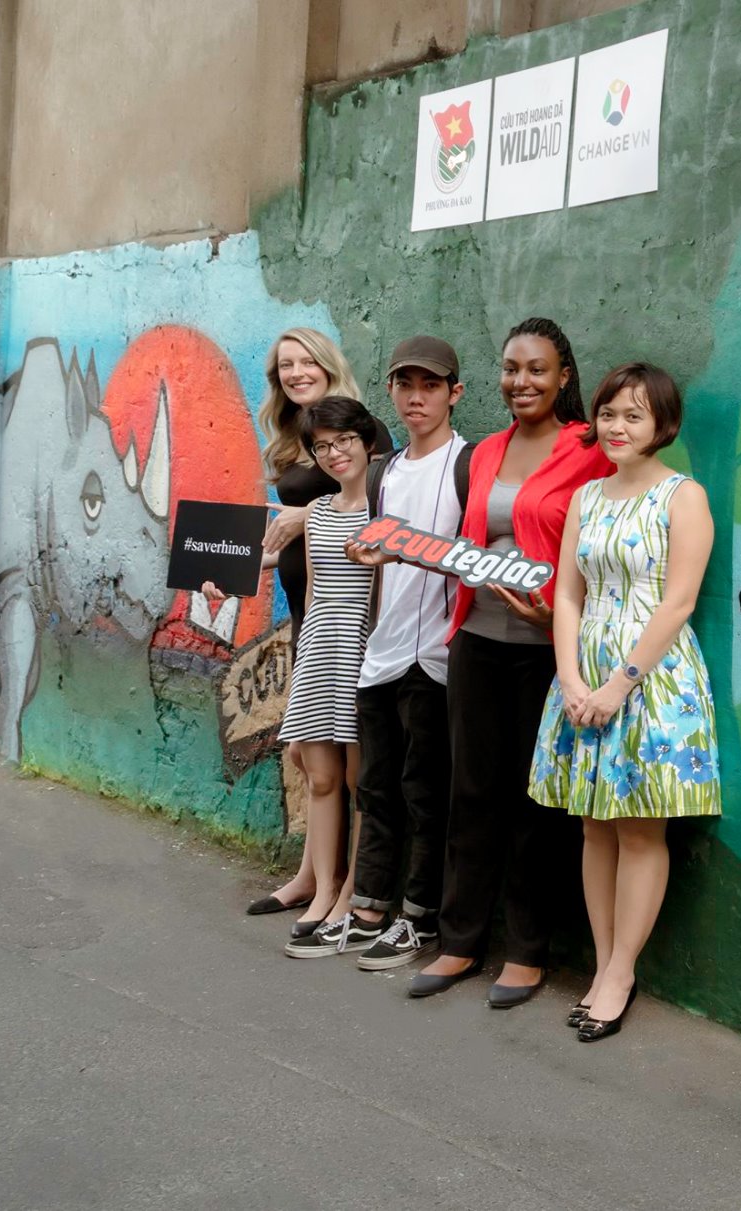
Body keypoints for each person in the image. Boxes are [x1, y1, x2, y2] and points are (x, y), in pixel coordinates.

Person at [408, 318, 613, 1006]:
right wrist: (387, 544)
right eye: (510, 368)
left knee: (535, 805)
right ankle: (459, 940)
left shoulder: (590, 447)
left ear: (564, 377)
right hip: (475, 642)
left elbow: (605, 541)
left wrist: (553, 609)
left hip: (546, 653)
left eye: (536, 369)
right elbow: (461, 542)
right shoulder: (487, 451)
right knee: (470, 792)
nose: (520, 381)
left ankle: (527, 951)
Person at [528, 363, 721, 1042]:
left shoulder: (682, 496)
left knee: (640, 826)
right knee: (592, 823)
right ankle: (604, 960)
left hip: (655, 678)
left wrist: (619, 682)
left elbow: (679, 601)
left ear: (661, 423)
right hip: (586, 674)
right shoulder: (587, 498)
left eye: (633, 415)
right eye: (609, 413)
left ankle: (619, 972)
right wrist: (573, 678)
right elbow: (569, 594)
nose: (617, 426)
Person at [286, 337, 474, 965]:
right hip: (380, 653)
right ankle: (366, 909)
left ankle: (417, 919)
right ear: (390, 392)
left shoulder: (469, 464)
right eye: (404, 385)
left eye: (429, 385)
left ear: (455, 393)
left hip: (438, 657)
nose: (416, 397)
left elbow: (474, 557)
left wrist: (401, 548)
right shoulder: (385, 472)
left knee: (426, 794)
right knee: (375, 790)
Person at [243, 328, 379, 935]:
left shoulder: (360, 436)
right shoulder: (295, 439)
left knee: (346, 767)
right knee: (308, 757)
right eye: (284, 366)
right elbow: (291, 538)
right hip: (311, 610)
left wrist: (306, 515)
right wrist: (237, 567)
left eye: (306, 362)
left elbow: (369, 509)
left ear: (328, 364)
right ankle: (312, 880)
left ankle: (343, 888)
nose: (296, 373)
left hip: (355, 621)